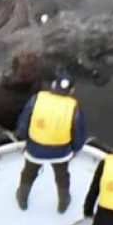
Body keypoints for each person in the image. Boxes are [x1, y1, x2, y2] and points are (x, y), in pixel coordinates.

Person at [15, 72, 86, 213]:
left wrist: (22, 137)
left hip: (35, 148)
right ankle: (63, 203)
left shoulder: (37, 99)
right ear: (71, 90)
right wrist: (76, 148)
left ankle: (22, 198)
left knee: (28, 173)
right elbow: (77, 130)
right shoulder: (73, 107)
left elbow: (24, 122)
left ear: (53, 85)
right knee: (62, 176)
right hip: (61, 151)